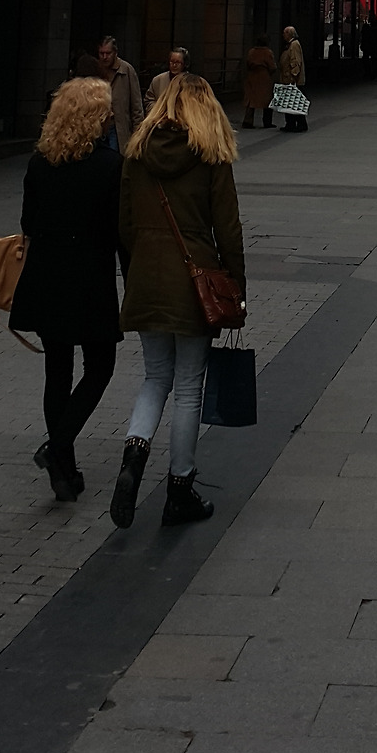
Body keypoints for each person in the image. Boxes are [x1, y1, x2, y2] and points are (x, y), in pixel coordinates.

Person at [111, 73, 246, 528]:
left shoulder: (137, 150)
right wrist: (237, 288)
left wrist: (138, 267)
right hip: (195, 282)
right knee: (189, 386)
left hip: (147, 276)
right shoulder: (211, 153)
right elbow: (228, 228)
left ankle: (133, 458)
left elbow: (125, 223)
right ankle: (179, 487)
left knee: (155, 378)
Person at [9, 77, 122, 502]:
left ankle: (64, 470)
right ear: (92, 117)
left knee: (57, 370)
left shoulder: (40, 163)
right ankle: (59, 449)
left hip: (47, 274)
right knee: (100, 366)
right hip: (89, 276)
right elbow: (119, 229)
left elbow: (28, 221)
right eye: (106, 109)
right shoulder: (110, 165)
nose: (112, 115)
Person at [97, 36, 143, 151]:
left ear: (115, 53)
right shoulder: (96, 70)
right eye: (101, 53)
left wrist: (138, 134)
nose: (104, 57)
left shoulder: (126, 70)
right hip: (98, 127)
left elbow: (136, 106)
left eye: (108, 53)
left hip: (118, 128)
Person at [241, 34, 277, 129]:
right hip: (264, 78)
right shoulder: (268, 52)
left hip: (252, 77)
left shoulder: (252, 52)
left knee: (251, 101)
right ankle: (267, 122)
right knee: (267, 100)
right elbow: (272, 67)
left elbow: (247, 64)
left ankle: (248, 121)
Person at [278, 25, 308, 133]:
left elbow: (295, 61)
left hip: (292, 80)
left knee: (295, 103)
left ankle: (299, 124)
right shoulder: (290, 44)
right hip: (288, 79)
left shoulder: (294, 45)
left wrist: (293, 76)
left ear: (289, 34)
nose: (283, 35)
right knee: (290, 103)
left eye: (284, 33)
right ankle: (291, 123)